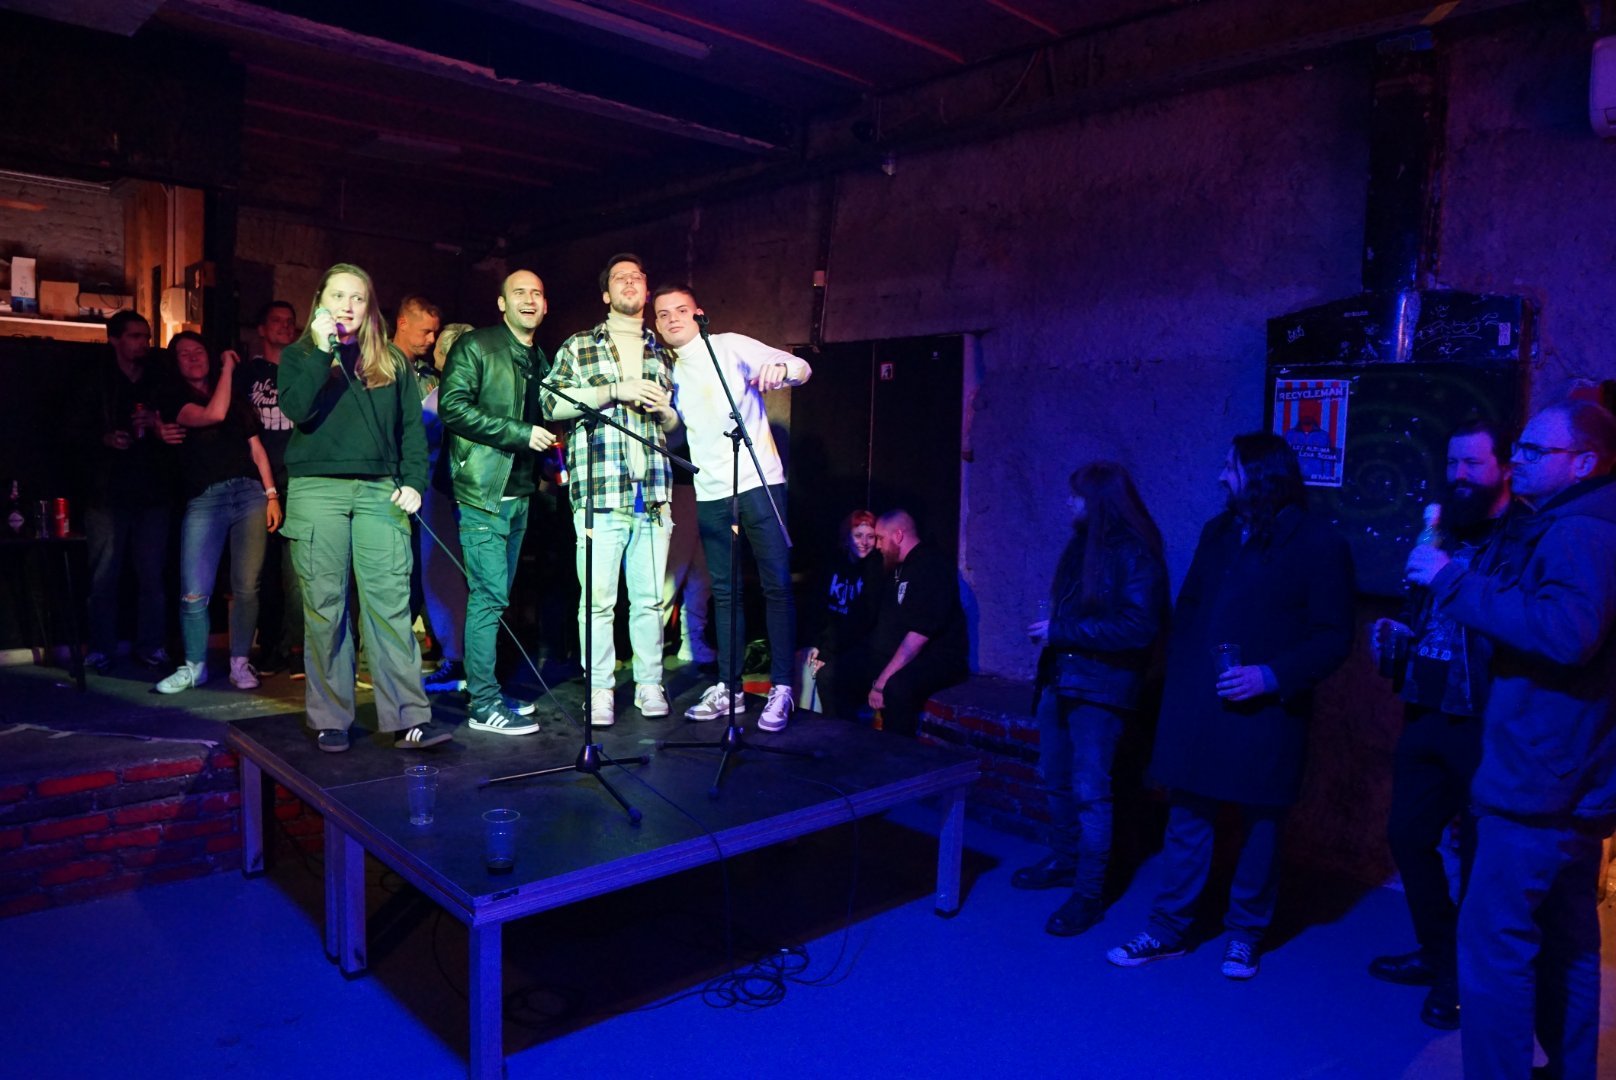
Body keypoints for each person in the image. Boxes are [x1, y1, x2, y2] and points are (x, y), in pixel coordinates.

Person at [1405, 399, 1616, 1080]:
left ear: (1582, 463)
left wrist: (1451, 581)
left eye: (1533, 451)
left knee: (1495, 947)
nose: (1516, 461)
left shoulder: (1578, 533)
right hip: (1575, 777)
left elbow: (1566, 633)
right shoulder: (1592, 523)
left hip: (1537, 778)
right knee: (1570, 944)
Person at [1107, 433, 1353, 979]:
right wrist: (1178, 682)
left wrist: (1270, 675)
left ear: (1261, 476)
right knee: (1187, 819)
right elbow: (1190, 609)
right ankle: (1168, 929)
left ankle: (1245, 934)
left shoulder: (1318, 543)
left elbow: (1335, 637)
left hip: (1266, 710)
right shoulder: (1217, 532)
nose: (1221, 477)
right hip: (1201, 704)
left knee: (1261, 826)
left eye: (1231, 468)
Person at [1365, 418, 1513, 1029]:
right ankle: (1437, 953)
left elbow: (1518, 628)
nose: (1459, 475)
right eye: (1452, 463)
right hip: (1426, 708)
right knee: (1407, 836)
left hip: (1483, 718)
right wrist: (1397, 633)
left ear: (1503, 468)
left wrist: (1454, 578)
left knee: (1477, 856)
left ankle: (1461, 979)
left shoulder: (1521, 538)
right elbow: (1422, 612)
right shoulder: (1442, 530)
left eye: (1472, 464)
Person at [276, 262, 446, 752]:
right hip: (317, 490)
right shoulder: (300, 354)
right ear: (320, 302)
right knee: (326, 607)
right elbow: (296, 409)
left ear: (370, 307)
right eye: (338, 296)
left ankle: (408, 719)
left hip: (379, 492)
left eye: (357, 297)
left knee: (390, 605)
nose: (347, 306)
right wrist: (322, 351)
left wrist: (414, 482)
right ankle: (331, 717)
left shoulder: (390, 360)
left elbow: (410, 429)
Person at [1015, 463, 1169, 938]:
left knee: (1090, 791)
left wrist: (1061, 631)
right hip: (1064, 678)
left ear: (1099, 500)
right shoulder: (1084, 543)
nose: (1069, 502)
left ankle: (1089, 894)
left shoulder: (1134, 551)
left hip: (1101, 688)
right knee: (1055, 778)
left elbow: (1139, 628)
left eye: (1077, 496)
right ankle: (1066, 860)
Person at [652, 285, 811, 731]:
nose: (672, 319)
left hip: (759, 482)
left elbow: (802, 368)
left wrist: (782, 368)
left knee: (776, 585)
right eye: (663, 314)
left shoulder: (729, 346)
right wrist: (666, 419)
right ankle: (730, 687)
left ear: (698, 314)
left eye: (681, 310)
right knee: (725, 592)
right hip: (711, 491)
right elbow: (680, 438)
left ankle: (782, 688)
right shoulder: (668, 371)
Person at [541, 253, 676, 728]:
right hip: (601, 495)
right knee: (598, 602)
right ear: (606, 294)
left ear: (646, 289)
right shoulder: (581, 345)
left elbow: (676, 429)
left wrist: (668, 415)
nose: (630, 282)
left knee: (650, 600)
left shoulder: (662, 351)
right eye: (620, 278)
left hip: (653, 494)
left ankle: (649, 682)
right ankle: (599, 689)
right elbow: (549, 401)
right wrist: (612, 391)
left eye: (637, 276)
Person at [438, 271, 554, 735]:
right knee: (488, 598)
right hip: (484, 492)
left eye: (537, 293)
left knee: (497, 599)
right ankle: (483, 705)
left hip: (519, 492)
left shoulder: (537, 356)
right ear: (502, 303)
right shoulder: (477, 346)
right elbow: (452, 407)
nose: (529, 299)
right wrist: (520, 433)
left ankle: (489, 691)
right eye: (519, 293)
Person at [150, 333, 281, 693]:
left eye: (199, 351)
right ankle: (195, 666)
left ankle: (240, 662)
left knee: (247, 587)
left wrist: (271, 494)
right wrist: (227, 368)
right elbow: (213, 414)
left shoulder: (236, 399)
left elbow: (256, 449)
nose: (194, 358)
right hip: (205, 499)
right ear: (175, 363)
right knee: (194, 590)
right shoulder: (175, 399)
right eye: (184, 354)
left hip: (249, 494)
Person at [81, 310, 185, 672]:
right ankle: (100, 647)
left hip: (152, 491)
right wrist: (105, 438)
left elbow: (180, 428)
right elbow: (70, 428)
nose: (143, 343)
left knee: (152, 576)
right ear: (114, 339)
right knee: (104, 576)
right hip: (108, 492)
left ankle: (151, 645)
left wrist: (156, 424)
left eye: (147, 336)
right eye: (135, 336)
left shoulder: (159, 379)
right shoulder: (97, 379)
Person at [865, 510, 969, 737]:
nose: (877, 545)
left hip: (939, 658)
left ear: (898, 535)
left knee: (896, 687)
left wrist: (881, 682)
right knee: (840, 671)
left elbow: (919, 635)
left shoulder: (932, 566)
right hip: (906, 652)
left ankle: (897, 752)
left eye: (881, 538)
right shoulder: (898, 566)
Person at [241, 300, 302, 675]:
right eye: (276, 320)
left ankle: (294, 645)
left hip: (297, 480)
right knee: (261, 571)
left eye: (290, 321)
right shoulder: (247, 374)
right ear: (262, 329)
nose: (284, 326)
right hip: (257, 481)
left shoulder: (303, 371)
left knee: (296, 571)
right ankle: (267, 646)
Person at [420, 322, 474, 694]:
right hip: (438, 494)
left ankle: (459, 661)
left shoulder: (450, 395)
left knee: (447, 576)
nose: (434, 355)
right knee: (446, 577)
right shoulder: (438, 393)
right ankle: (457, 658)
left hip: (448, 494)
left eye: (440, 348)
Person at [805, 510, 883, 718]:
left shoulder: (876, 569)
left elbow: (862, 622)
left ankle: (839, 730)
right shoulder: (833, 564)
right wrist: (817, 644)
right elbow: (820, 608)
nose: (864, 542)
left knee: (829, 676)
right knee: (806, 664)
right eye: (858, 535)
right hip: (833, 643)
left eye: (870, 536)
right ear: (847, 537)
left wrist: (827, 653)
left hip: (859, 647)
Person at [393, 294, 442, 386]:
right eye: (426, 331)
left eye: (435, 333)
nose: (432, 339)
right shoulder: (380, 370)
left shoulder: (430, 375)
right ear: (402, 324)